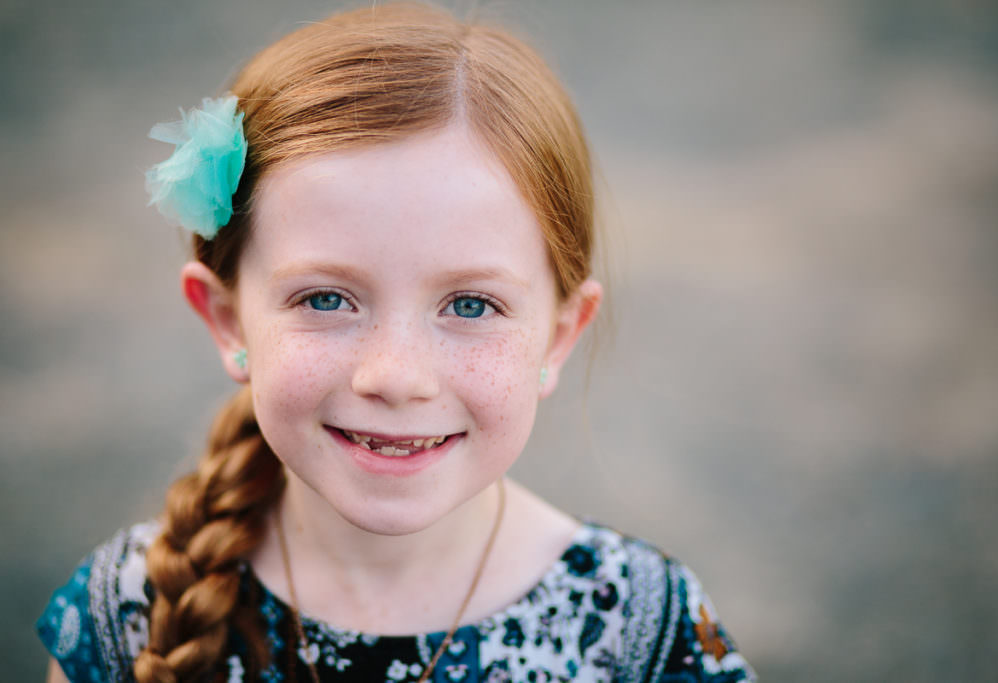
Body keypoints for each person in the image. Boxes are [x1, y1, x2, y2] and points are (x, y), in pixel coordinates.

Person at [37, 4, 756, 682]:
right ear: (228, 320)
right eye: (326, 298)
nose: (396, 375)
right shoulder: (131, 615)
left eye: (470, 304)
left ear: (559, 336)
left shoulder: (641, 628)